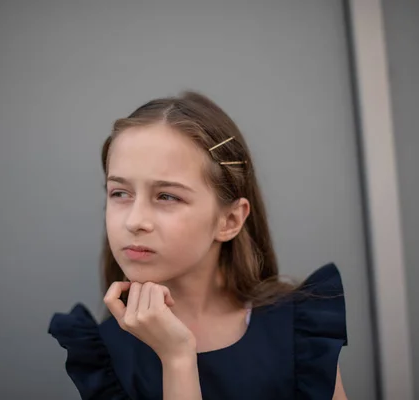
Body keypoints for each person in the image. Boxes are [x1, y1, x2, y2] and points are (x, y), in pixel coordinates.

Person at [48, 91, 348, 399]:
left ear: (230, 220)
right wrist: (177, 359)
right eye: (120, 193)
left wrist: (178, 356)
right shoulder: (103, 359)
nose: (134, 221)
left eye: (167, 196)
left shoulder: (298, 333)